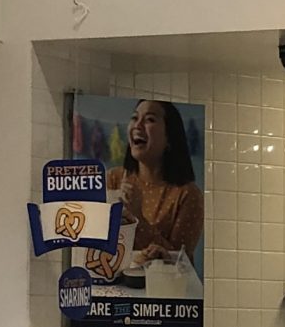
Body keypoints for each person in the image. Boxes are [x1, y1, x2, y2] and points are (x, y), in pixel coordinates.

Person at [86, 98, 204, 283]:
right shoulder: (113, 179)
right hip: (114, 285)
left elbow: (181, 262)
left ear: (169, 137)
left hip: (164, 290)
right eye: (134, 118)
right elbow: (92, 244)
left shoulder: (188, 194)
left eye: (149, 119)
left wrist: (137, 216)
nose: (137, 125)